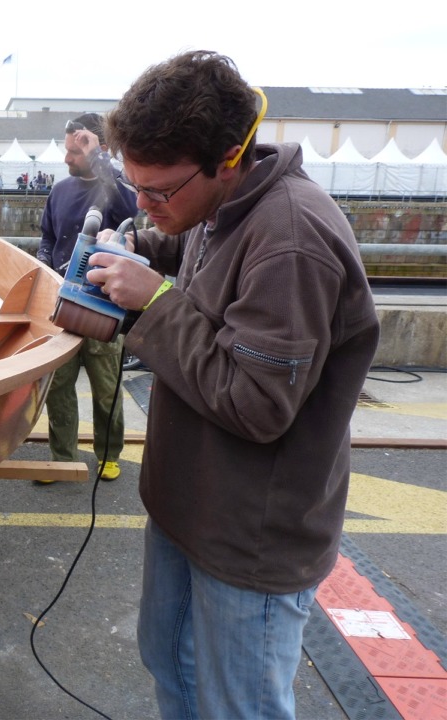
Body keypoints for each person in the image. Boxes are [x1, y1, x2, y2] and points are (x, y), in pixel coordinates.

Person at [85, 50, 380, 719]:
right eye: (135, 187)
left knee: (238, 707)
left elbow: (257, 403)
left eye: (158, 192)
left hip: (251, 537)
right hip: (189, 511)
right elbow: (202, 258)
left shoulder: (292, 240)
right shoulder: (218, 207)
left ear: (227, 157)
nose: (144, 202)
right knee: (174, 669)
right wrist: (146, 241)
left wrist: (154, 303)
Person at [36, 112, 138, 481]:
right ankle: (61, 457)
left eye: (74, 153)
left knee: (106, 388)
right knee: (58, 387)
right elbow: (47, 238)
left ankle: (109, 453)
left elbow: (134, 209)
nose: (66, 159)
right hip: (63, 305)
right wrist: (45, 267)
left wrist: (101, 158)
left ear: (98, 149)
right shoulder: (60, 190)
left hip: (104, 305)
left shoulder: (114, 188)